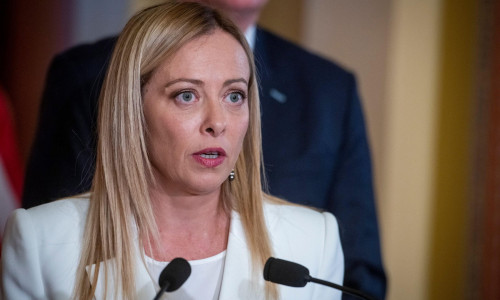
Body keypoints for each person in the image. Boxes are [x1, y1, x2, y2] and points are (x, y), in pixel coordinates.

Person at [22, 0, 386, 298]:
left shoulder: (313, 241)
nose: (218, 122)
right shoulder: (43, 243)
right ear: (130, 108)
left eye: (234, 96)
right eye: (186, 95)